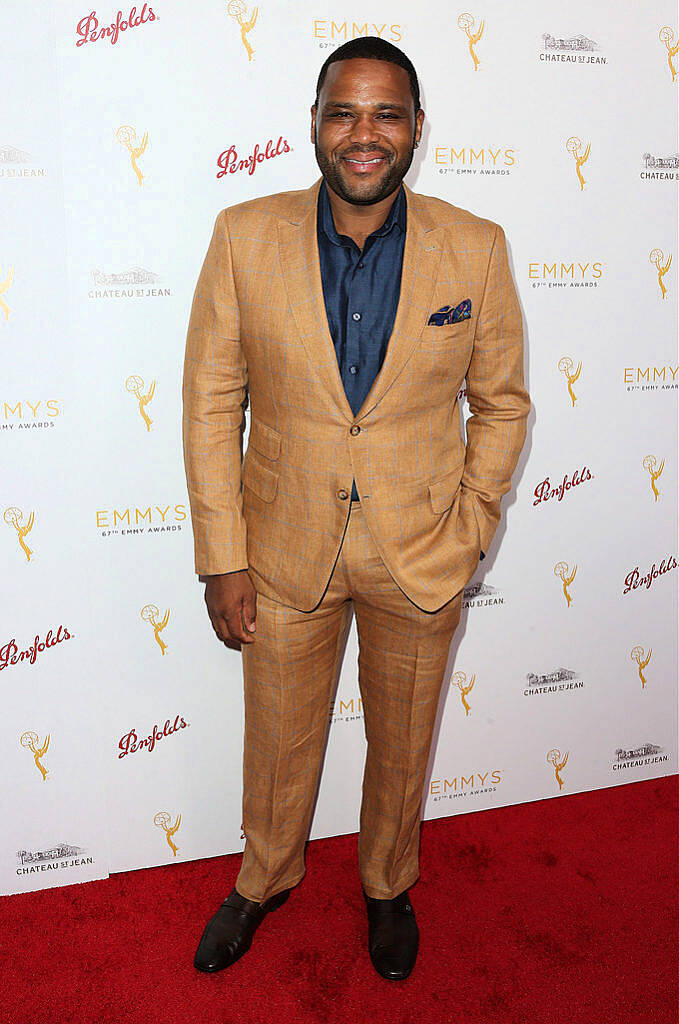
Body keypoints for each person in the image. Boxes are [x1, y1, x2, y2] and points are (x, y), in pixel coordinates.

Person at [182, 36, 530, 981]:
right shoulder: (242, 234)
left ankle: (386, 882)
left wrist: (470, 532)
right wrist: (222, 553)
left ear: (416, 127)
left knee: (404, 736)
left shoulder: (475, 246)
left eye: (385, 113)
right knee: (279, 736)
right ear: (314, 126)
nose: (363, 133)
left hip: (419, 552)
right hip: (282, 544)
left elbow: (501, 404)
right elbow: (214, 400)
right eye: (344, 112)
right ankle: (264, 875)